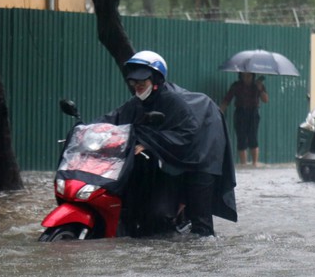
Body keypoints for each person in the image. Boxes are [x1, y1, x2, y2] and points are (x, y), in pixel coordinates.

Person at [95, 50, 237, 237]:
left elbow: (187, 134)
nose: (137, 86)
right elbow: (113, 119)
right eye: (134, 82)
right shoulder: (137, 103)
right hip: (173, 159)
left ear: (155, 81)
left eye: (142, 82)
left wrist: (149, 143)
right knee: (154, 215)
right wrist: (87, 132)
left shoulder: (174, 101)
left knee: (201, 225)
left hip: (202, 153)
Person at [220, 72, 269, 167]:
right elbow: (227, 100)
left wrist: (260, 89)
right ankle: (244, 164)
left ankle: (255, 163)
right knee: (241, 138)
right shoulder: (236, 85)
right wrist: (220, 112)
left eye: (249, 76)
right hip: (240, 112)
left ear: (253, 75)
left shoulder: (258, 85)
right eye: (244, 75)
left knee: (253, 137)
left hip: (253, 113)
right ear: (240, 75)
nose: (246, 78)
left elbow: (266, 100)